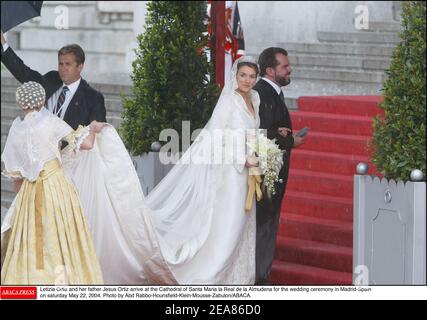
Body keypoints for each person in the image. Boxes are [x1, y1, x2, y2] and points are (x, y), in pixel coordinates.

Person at [60, 56, 261, 284]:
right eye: (243, 75)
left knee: (243, 226)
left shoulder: (255, 98)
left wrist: (262, 155)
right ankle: (212, 277)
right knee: (228, 229)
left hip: (249, 174)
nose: (247, 80)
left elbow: (253, 134)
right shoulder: (229, 101)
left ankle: (238, 279)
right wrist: (241, 158)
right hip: (230, 173)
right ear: (235, 76)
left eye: (252, 76)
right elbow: (215, 140)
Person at [1, 81, 104, 285]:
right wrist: (93, 128)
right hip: (57, 186)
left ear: (22, 103)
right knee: (62, 233)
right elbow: (87, 144)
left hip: (30, 192)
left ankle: (32, 281)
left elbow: (16, 178)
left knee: (32, 238)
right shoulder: (50, 122)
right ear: (42, 100)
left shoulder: (17, 130)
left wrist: (21, 206)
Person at [253, 47, 304, 285]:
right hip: (266, 172)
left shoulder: (271, 92)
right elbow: (261, 133)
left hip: (271, 169)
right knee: (265, 223)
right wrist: (291, 140)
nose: (289, 69)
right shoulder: (262, 93)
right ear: (270, 71)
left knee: (267, 223)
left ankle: (261, 275)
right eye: (285, 66)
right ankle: (260, 279)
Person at [0, 31, 106, 129]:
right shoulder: (51, 79)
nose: (63, 68)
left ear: (80, 67)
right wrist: (3, 42)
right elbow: (24, 73)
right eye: (61, 64)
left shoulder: (93, 98)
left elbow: (98, 136)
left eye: (68, 64)